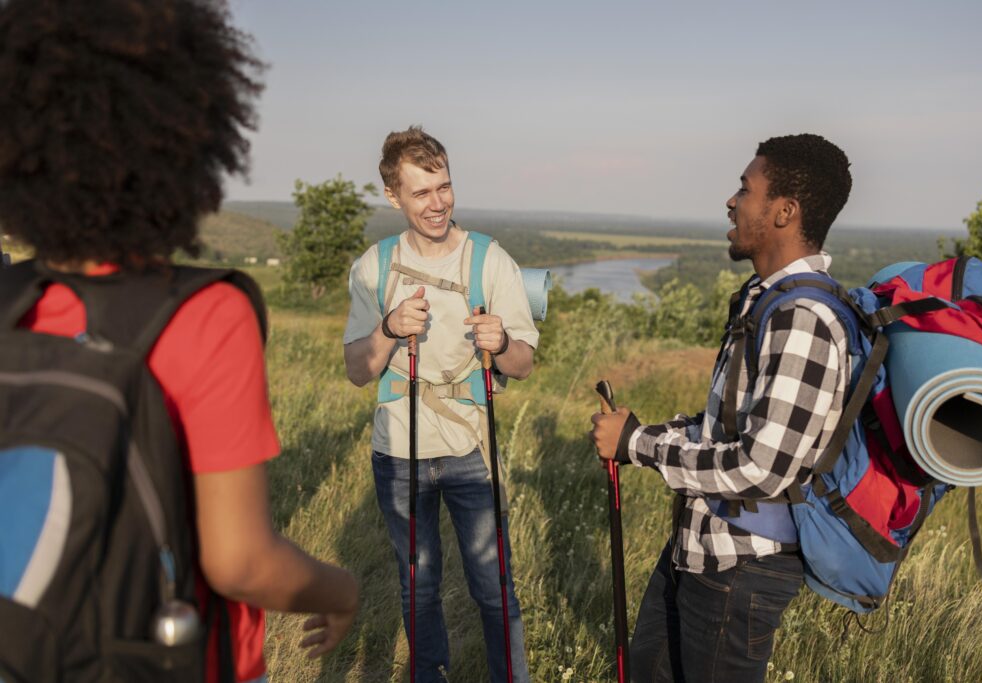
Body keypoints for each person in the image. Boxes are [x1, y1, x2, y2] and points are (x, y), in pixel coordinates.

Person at [0, 2, 359, 681]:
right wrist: (341, 590)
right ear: (187, 138)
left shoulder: (9, 298)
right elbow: (239, 560)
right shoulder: (206, 313)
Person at [591, 134, 854, 682]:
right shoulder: (765, 299)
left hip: (742, 568)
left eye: (745, 188)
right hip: (701, 549)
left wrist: (636, 445)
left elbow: (762, 467)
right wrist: (638, 433)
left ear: (785, 211)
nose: (732, 202)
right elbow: (724, 429)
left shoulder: (802, 316)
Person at [344, 126, 537, 682]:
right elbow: (358, 371)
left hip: (471, 447)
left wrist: (500, 344)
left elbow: (523, 363)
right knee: (418, 587)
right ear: (393, 196)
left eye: (444, 187)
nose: (438, 203)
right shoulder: (374, 266)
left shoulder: (489, 259)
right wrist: (387, 326)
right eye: (422, 192)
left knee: (493, 586)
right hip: (398, 449)